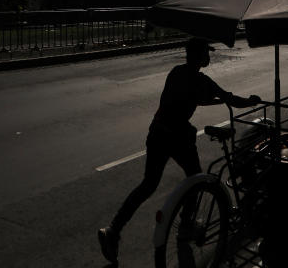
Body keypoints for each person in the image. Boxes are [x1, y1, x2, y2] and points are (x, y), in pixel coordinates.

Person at [98, 37, 261, 264]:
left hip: (157, 132)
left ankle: (114, 229)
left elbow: (187, 98)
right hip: (178, 137)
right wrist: (251, 101)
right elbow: (230, 99)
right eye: (207, 53)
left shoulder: (176, 73)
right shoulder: (202, 81)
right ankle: (185, 226)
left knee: (148, 184)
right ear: (199, 56)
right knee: (195, 178)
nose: (209, 57)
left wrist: (212, 101)